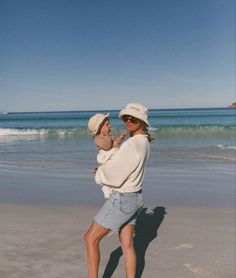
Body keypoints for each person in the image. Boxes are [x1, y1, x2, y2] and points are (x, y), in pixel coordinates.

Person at [84, 103, 152, 278]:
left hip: (123, 199)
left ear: (141, 121)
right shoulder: (143, 141)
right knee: (127, 244)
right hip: (136, 198)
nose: (128, 121)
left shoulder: (132, 145)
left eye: (133, 118)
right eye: (125, 118)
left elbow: (115, 175)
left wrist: (99, 174)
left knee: (90, 239)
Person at [88, 112, 126, 198]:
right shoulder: (98, 139)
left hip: (114, 158)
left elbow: (115, 144)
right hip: (107, 159)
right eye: (107, 124)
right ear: (100, 128)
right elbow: (107, 146)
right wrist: (107, 136)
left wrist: (120, 138)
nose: (109, 126)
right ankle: (111, 192)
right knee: (110, 179)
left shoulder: (107, 137)